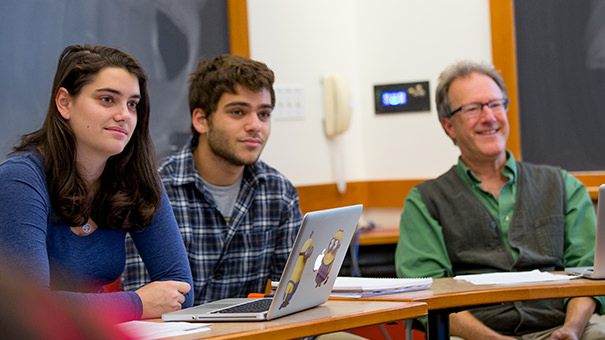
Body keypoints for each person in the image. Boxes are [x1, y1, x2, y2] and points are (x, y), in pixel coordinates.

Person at [395, 60, 605, 339]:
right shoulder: (424, 202)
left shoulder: (564, 187)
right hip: (474, 336)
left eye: (495, 104)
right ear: (449, 126)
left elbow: (590, 275)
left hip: (564, 328)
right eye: (472, 108)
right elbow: (427, 295)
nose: (489, 117)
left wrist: (572, 330)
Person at [0, 44, 193, 322]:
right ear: (65, 103)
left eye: (132, 104)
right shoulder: (19, 180)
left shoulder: (135, 177)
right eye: (107, 100)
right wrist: (137, 303)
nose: (124, 115)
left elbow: (181, 292)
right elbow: (29, 308)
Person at [122, 54, 303, 305]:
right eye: (238, 112)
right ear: (201, 120)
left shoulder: (279, 192)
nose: (255, 126)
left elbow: (291, 298)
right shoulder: (153, 190)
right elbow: (146, 306)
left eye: (264, 114)